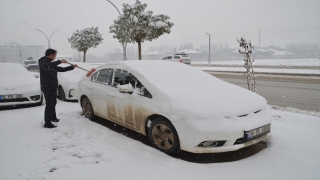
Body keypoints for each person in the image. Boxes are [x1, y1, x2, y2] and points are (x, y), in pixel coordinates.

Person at [38, 49, 78, 128]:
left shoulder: (50, 63)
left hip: (52, 87)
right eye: (55, 55)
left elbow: (61, 69)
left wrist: (72, 67)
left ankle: (53, 118)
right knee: (49, 105)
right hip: (47, 87)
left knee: (53, 103)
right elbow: (47, 66)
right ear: (51, 55)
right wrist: (60, 61)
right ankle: (47, 123)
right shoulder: (43, 62)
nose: (55, 57)